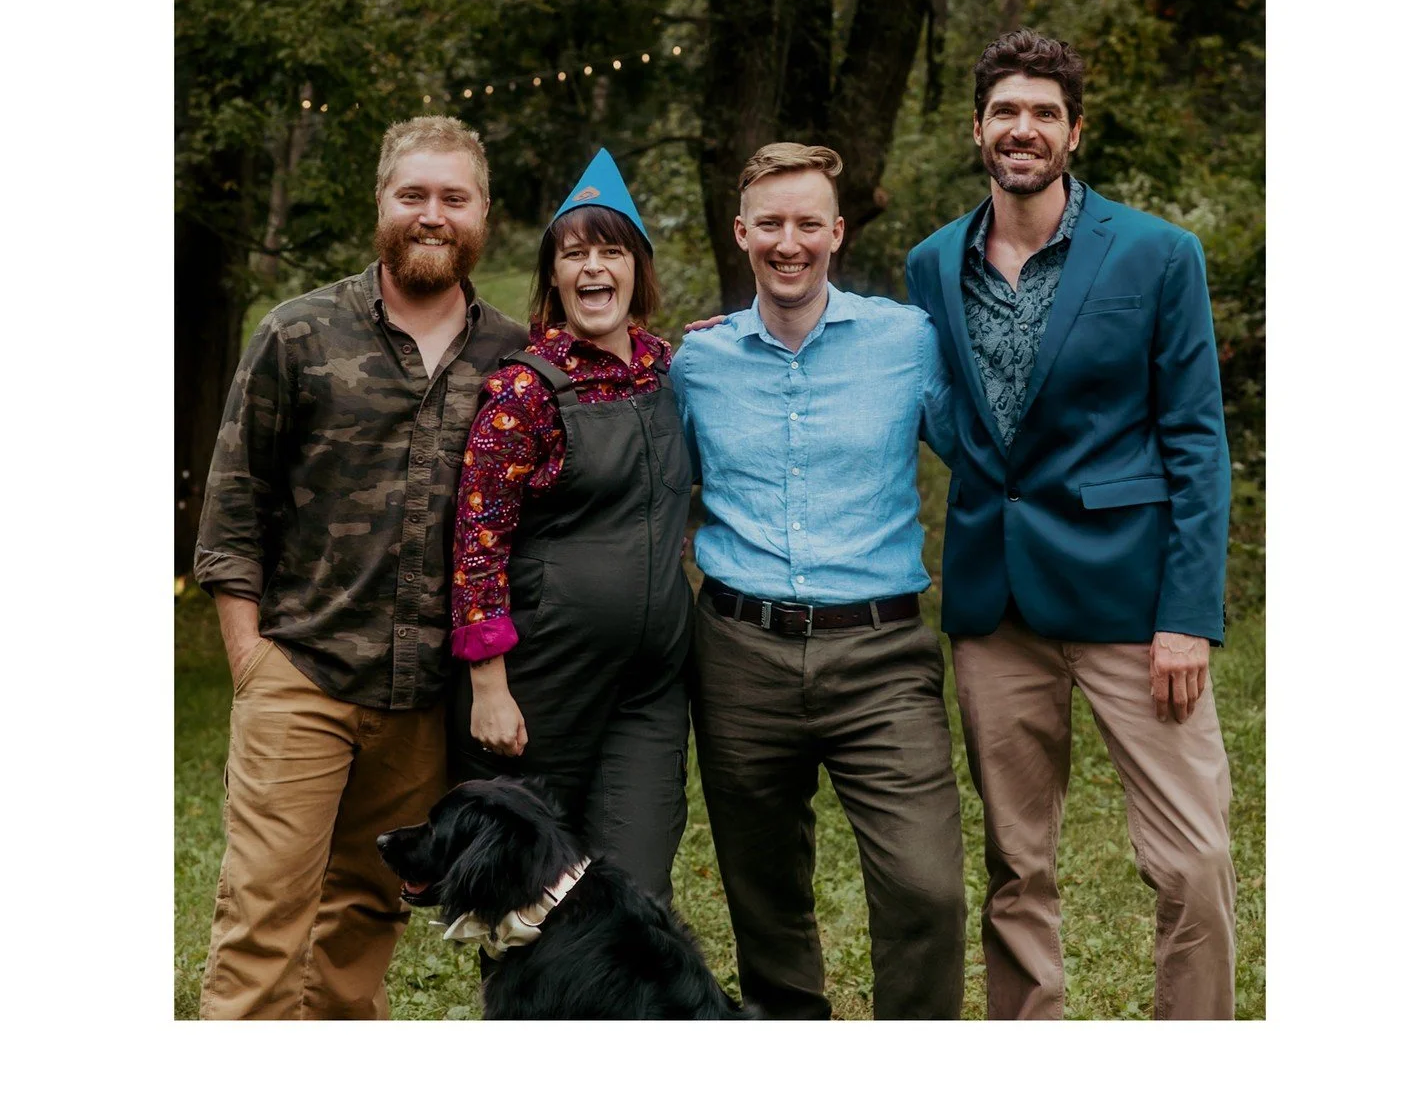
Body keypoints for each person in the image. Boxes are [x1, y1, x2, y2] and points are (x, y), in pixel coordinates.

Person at [905, 28, 1236, 1020]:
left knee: (1196, 860)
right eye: (1005, 109)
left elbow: (1195, 438)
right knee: (1017, 867)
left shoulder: (1158, 254)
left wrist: (1188, 613)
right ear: (977, 128)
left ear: (1074, 131)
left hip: (1135, 604)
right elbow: (925, 394)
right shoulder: (932, 263)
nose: (1023, 127)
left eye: (1044, 111)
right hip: (996, 606)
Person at [192, 115, 525, 1020]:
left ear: (483, 211)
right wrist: (253, 663)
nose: (432, 214)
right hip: (301, 673)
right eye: (412, 194)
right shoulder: (299, 333)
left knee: (365, 922)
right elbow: (232, 508)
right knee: (264, 921)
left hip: (423, 700)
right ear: (380, 201)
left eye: (452, 197)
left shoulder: (516, 357)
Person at [670, 142, 966, 1021]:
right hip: (738, 653)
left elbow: (985, 454)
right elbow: (643, 485)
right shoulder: (698, 363)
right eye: (770, 223)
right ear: (742, 233)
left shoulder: (907, 341)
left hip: (878, 650)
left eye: (807, 222)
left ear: (837, 232)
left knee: (927, 887)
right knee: (766, 899)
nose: (788, 242)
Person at [448, 148, 692, 904]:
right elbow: (475, 541)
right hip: (543, 688)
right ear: (553, 276)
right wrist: (489, 687)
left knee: (635, 893)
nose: (593, 267)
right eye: (574, 252)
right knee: (532, 903)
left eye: (610, 249)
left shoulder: (670, 368)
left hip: (649, 689)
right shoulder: (524, 390)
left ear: (637, 268)